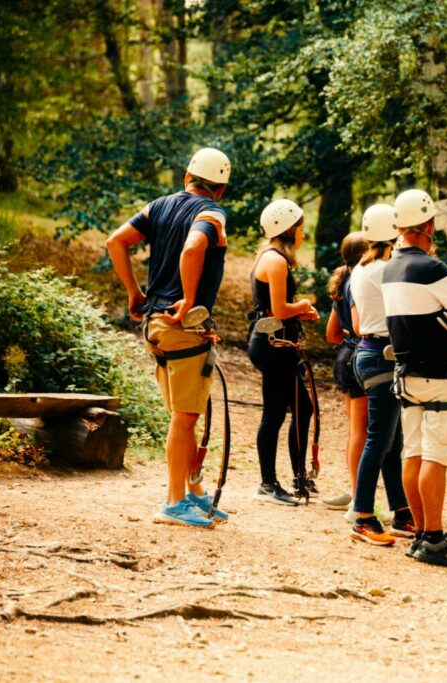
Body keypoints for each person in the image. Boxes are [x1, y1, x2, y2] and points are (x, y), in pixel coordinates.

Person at [104, 147, 232, 528]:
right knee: (185, 418)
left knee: (186, 417)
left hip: (155, 325)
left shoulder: (157, 206)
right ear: (221, 189)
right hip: (182, 327)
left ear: (186, 176)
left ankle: (194, 495)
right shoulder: (212, 212)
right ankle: (174, 502)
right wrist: (189, 298)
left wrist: (133, 292)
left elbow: (115, 241)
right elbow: (194, 247)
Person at [382, 189, 447, 569]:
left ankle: (423, 533)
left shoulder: (389, 269)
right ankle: (436, 539)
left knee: (413, 452)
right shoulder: (433, 268)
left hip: (406, 375)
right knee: (435, 457)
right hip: (437, 374)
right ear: (428, 225)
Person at [247, 199, 321, 505]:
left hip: (276, 342)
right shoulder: (276, 261)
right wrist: (302, 305)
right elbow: (278, 308)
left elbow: (273, 308)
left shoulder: (271, 257)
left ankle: (298, 475)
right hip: (273, 345)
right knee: (275, 413)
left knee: (302, 408)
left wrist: (297, 314)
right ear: (290, 230)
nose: (304, 233)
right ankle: (268, 483)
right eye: (301, 228)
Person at [347, 203, 413, 546]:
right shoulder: (385, 269)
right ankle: (363, 515)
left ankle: (401, 511)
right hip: (381, 357)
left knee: (392, 440)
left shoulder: (362, 267)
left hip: (370, 353)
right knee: (380, 440)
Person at [323, 231, 369, 510]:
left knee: (355, 431)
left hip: (344, 356)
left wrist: (348, 339)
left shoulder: (343, 281)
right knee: (360, 433)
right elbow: (361, 326)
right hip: (358, 358)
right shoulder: (358, 283)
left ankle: (355, 490)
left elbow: (331, 333)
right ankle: (357, 495)